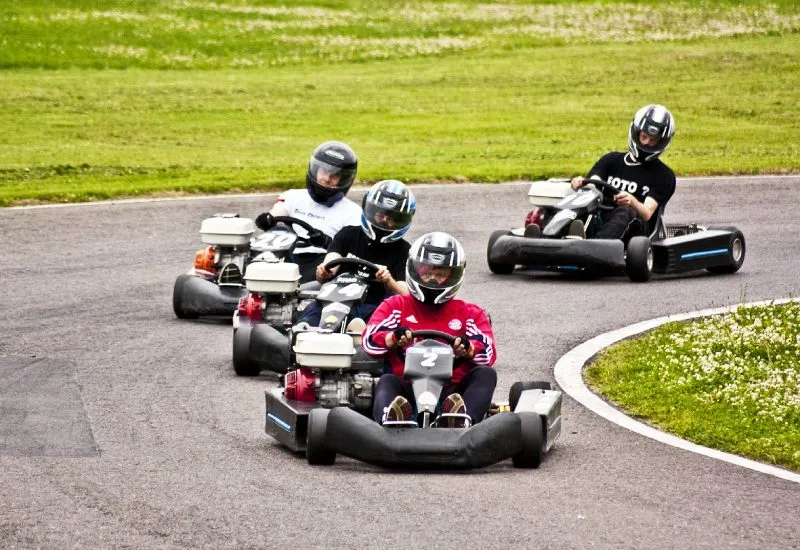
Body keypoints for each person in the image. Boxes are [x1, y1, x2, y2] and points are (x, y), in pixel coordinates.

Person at [362, 232, 497, 428]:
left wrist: (468, 349)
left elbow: (489, 353)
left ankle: (461, 421)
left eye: (441, 275)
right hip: (406, 389)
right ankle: (393, 420)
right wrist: (393, 338)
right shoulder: (395, 306)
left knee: (485, 374)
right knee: (387, 380)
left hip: (453, 393)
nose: (433, 280)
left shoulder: (469, 313)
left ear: (454, 276)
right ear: (415, 271)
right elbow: (369, 343)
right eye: (427, 273)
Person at [296, 180, 416, 327]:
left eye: (391, 218)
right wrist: (324, 271)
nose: (384, 221)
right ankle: (302, 330)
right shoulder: (348, 235)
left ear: (401, 221)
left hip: (375, 306)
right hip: (335, 301)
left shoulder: (404, 251)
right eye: (380, 215)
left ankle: (360, 335)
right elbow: (331, 262)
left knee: (385, 313)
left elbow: (405, 293)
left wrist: (389, 281)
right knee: (314, 311)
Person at [254, 141, 362, 282]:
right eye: (323, 171)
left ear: (345, 179)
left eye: (334, 176)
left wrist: (326, 242)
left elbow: (352, 251)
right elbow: (276, 214)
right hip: (285, 256)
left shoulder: (353, 213)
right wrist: (268, 219)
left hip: (320, 263)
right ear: (315, 169)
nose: (326, 179)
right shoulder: (292, 196)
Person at [566, 104, 676, 241]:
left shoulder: (664, 175)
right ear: (636, 133)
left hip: (636, 232)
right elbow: (593, 182)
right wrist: (580, 183)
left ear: (661, 143)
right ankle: (545, 234)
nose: (646, 143)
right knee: (575, 201)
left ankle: (596, 245)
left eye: (653, 140)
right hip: (601, 217)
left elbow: (647, 213)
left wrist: (632, 201)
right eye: (644, 137)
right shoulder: (611, 160)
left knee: (626, 211)